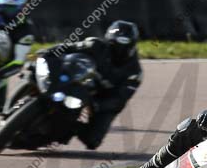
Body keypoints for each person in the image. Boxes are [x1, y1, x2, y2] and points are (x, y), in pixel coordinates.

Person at [28, 20, 142, 149]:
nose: (119, 50)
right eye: (114, 45)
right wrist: (49, 51)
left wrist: (98, 105)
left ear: (132, 45)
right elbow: (68, 47)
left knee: (92, 140)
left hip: (101, 99)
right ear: (108, 40)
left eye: (124, 47)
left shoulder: (134, 72)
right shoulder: (95, 45)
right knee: (40, 66)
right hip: (76, 81)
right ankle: (30, 89)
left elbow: (120, 99)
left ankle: (67, 130)